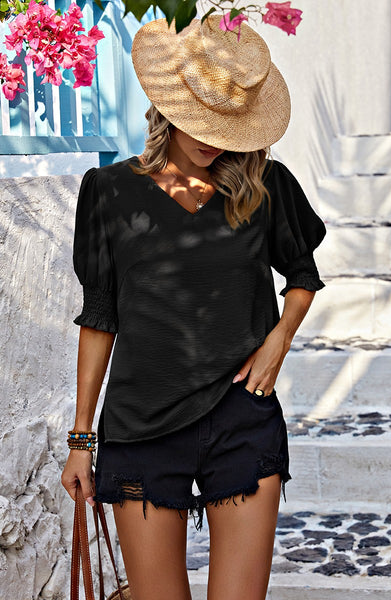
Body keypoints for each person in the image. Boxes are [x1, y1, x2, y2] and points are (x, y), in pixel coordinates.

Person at [61, 14, 326, 600]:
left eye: (227, 125)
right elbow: (100, 316)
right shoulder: (109, 192)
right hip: (142, 426)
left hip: (241, 418)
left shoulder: (265, 186)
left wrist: (278, 341)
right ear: (168, 107)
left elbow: (303, 275)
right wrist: (81, 441)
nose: (211, 139)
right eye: (199, 120)